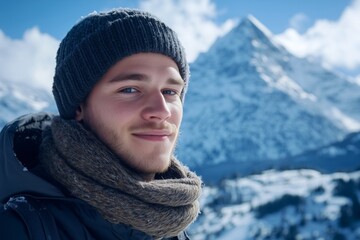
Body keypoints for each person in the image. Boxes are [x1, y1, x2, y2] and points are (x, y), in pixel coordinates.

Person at [0, 8, 202, 240]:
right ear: (78, 107)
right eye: (130, 89)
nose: (161, 111)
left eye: (170, 91)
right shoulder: (17, 229)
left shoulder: (166, 222)